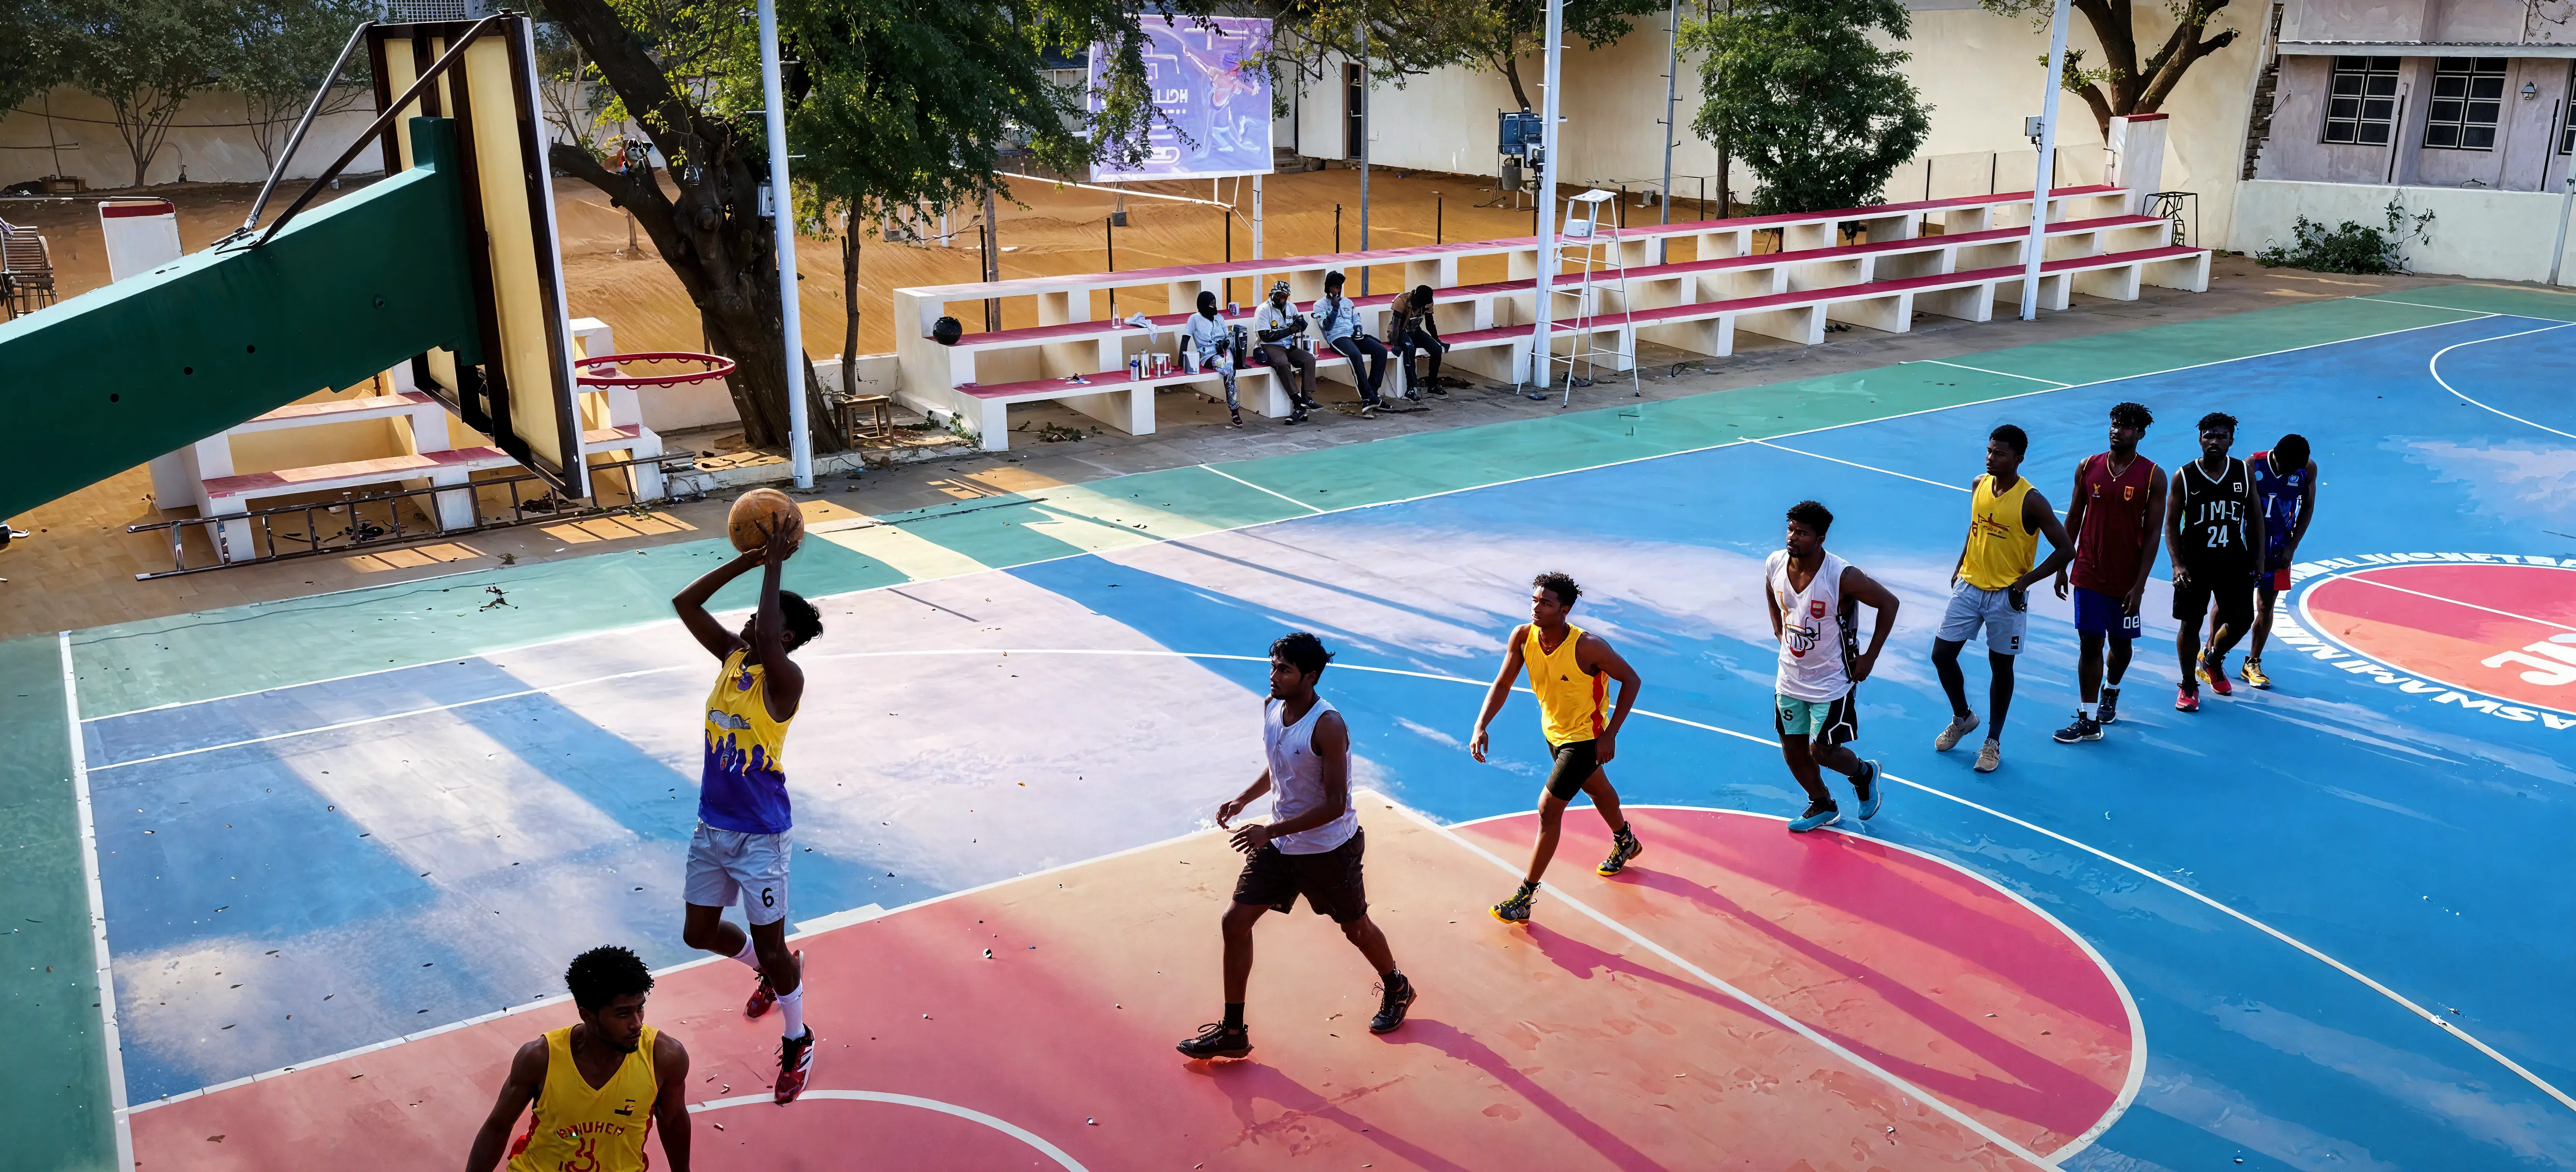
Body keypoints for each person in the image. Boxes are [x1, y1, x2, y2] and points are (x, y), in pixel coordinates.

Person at [1177, 633, 1415, 1060]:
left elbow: (1334, 804)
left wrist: (1268, 831)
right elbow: (1280, 764)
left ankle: (1397, 986)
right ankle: (1233, 1032)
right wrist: (1243, 799)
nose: (1273, 677)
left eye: (1283, 670)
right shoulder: (1271, 708)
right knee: (1235, 923)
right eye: (1272, 667)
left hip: (1328, 849)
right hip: (1282, 843)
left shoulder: (1328, 725)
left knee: (1355, 928)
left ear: (1311, 675)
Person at [669, 526, 823, 1104]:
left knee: (777, 948)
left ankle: (798, 1036)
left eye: (760, 620)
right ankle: (770, 968)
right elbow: (686, 604)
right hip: (712, 827)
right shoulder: (735, 659)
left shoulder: (785, 682)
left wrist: (775, 569)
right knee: (698, 933)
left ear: (782, 635)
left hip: (761, 837)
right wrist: (750, 561)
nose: (747, 625)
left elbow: (773, 636)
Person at [1468, 572, 1644, 924]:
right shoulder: (1523, 637)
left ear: (1564, 610)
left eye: (1545, 603)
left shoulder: (1588, 646)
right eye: (1535, 600)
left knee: (1548, 809)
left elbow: (1632, 680)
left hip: (1584, 739)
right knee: (1598, 790)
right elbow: (1503, 682)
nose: (1536, 608)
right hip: (1554, 734)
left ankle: (1525, 896)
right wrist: (1481, 724)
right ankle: (1626, 841)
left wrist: (1610, 734)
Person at [465, 945, 692, 1172]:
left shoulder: (664, 1057)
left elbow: (673, 1121)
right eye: (623, 1014)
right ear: (587, 1015)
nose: (637, 1024)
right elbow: (498, 1127)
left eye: (640, 1009)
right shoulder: (540, 1058)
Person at [1930, 424, 2074, 774]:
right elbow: (1976, 524)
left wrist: (2025, 582)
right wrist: (1961, 562)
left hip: (2006, 597)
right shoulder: (1980, 484)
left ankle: (1992, 741)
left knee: (2001, 668)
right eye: (1990, 450)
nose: (1991, 458)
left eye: (2000, 453)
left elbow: (2067, 548)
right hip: (1969, 586)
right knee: (1942, 656)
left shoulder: (2032, 501)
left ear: (2019, 459)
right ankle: (1963, 717)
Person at [1765, 501, 1900, 832]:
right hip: (1790, 678)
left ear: (1821, 538)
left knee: (1821, 751)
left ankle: (1865, 774)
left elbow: (1889, 603)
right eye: (1791, 529)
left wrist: (1870, 657)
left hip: (1832, 680)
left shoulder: (1841, 576)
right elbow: (1771, 590)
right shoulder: (1775, 563)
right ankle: (1822, 803)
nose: (1793, 537)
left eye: (1803, 533)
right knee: (1793, 750)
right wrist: (1780, 630)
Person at [2052, 402, 2167, 744]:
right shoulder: (2089, 467)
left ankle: (2112, 689)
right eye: (2115, 425)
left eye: (2127, 427)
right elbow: (2073, 518)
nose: (2118, 431)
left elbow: (2152, 534)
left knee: (2120, 644)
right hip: (2088, 570)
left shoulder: (2152, 476)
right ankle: (2088, 719)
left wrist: (2140, 585)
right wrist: (2063, 564)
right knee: (2090, 643)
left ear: (2141, 434)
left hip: (2126, 579)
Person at [2168, 412, 2265, 712]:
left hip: (2233, 559)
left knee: (2242, 621)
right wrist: (2177, 565)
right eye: (2209, 436)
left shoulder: (2242, 472)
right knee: (2190, 624)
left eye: (2221, 436)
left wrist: (2259, 559)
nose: (2214, 441)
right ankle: (2188, 684)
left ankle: (2212, 659)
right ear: (2200, 440)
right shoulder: (2184, 475)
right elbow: (2171, 525)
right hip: (2195, 562)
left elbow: (2256, 518)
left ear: (2231, 441)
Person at [2240, 433, 2317, 689]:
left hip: (2278, 550)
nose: (2290, 473)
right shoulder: (2252, 465)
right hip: (2247, 546)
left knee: (2266, 607)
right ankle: (2210, 654)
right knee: (2230, 604)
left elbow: (2307, 508)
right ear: (2276, 454)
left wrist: (2293, 546)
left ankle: (2252, 662)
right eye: (2287, 468)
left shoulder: (2307, 470)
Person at [1315, 270, 1388, 416]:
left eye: (1340, 287)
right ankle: (1367, 397)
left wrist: (1359, 330)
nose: (1338, 291)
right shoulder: (1320, 306)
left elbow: (1356, 319)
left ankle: (1373, 395)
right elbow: (1327, 326)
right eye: (1334, 287)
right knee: (1355, 355)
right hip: (1337, 338)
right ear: (1328, 288)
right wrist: (1335, 309)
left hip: (1354, 336)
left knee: (1381, 351)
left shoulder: (1348, 302)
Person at [1250, 281, 1318, 425]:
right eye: (1279, 296)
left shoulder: (1291, 307)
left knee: (1310, 359)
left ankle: (1307, 398)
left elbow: (1302, 327)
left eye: (1285, 297)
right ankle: (1297, 401)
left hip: (1288, 345)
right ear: (1272, 294)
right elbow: (1266, 336)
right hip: (1270, 346)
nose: (1281, 300)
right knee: (1282, 363)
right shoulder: (1263, 310)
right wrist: (1291, 330)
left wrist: (1301, 324)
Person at [1183, 290, 1245, 428]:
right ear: (1204, 304)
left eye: (1215, 303)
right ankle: (1234, 410)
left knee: (1229, 369)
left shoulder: (1219, 318)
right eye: (1211, 303)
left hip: (1225, 351)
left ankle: (1234, 409)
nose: (1214, 305)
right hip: (1209, 356)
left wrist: (1227, 342)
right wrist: (1181, 363)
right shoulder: (1194, 319)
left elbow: (1229, 335)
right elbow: (1185, 339)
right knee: (1229, 370)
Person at [1388, 285, 1451, 400]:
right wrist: (1395, 343)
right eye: (1420, 305)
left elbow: (1430, 323)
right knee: (1410, 349)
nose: (1421, 307)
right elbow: (1396, 325)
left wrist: (1437, 340)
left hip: (1415, 331)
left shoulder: (1427, 303)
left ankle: (1432, 386)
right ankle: (1410, 389)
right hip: (1400, 332)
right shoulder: (1402, 301)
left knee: (1437, 349)